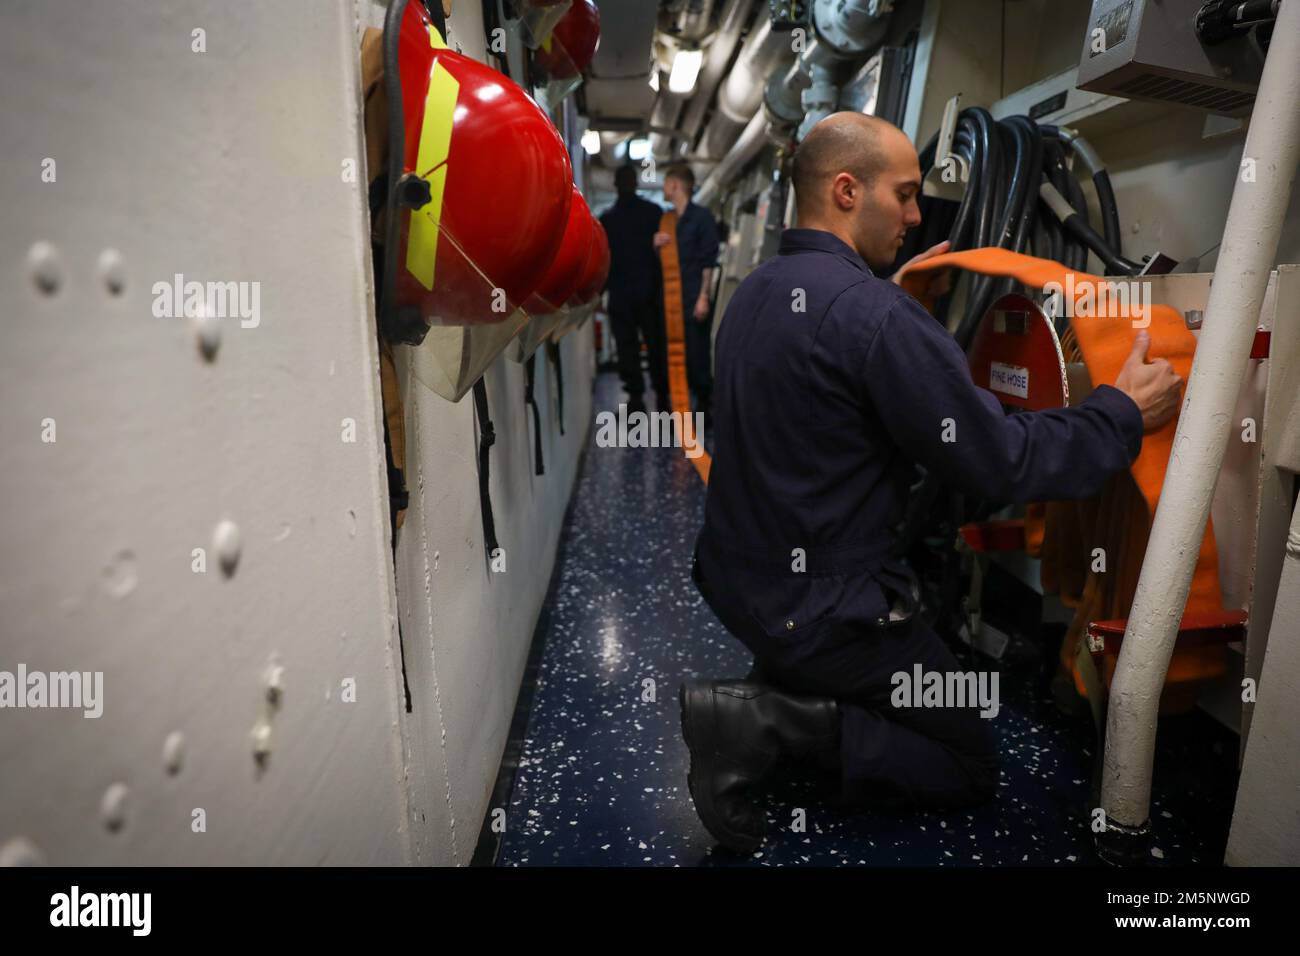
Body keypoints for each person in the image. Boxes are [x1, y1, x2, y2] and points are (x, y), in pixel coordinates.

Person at [678, 113, 1183, 854]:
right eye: (906, 194)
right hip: (822, 611)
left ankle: (786, 683)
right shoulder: (874, 315)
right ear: (848, 190)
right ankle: (772, 722)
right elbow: (1000, 461)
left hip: (737, 585)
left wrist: (900, 316)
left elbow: (831, 405)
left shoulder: (758, 291)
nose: (917, 217)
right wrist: (1120, 412)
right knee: (969, 755)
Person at [600, 165, 669, 413]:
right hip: (649, 293)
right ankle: (662, 398)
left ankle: (637, 401)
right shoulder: (653, 213)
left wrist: (599, 294)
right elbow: (665, 255)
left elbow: (603, 262)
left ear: (615, 185)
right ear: (635, 183)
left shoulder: (607, 220)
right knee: (656, 346)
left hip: (621, 294)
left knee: (627, 349)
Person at [655, 165, 720, 420]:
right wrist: (655, 245)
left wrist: (704, 296)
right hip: (670, 301)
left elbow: (708, 262)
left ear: (675, 186)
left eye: (666, 183)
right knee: (671, 355)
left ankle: (705, 407)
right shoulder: (667, 221)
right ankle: (679, 410)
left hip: (694, 299)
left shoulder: (702, 218)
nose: (663, 188)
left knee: (697, 356)